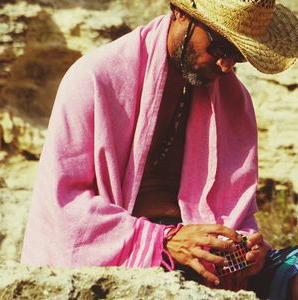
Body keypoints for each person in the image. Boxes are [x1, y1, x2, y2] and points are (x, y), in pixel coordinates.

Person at [21, 0, 298, 299]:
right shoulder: (94, 80)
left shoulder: (235, 101)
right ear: (180, 12)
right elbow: (63, 209)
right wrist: (164, 241)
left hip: (205, 260)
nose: (226, 65)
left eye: (238, 55)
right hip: (128, 259)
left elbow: (237, 215)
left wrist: (243, 253)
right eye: (220, 47)